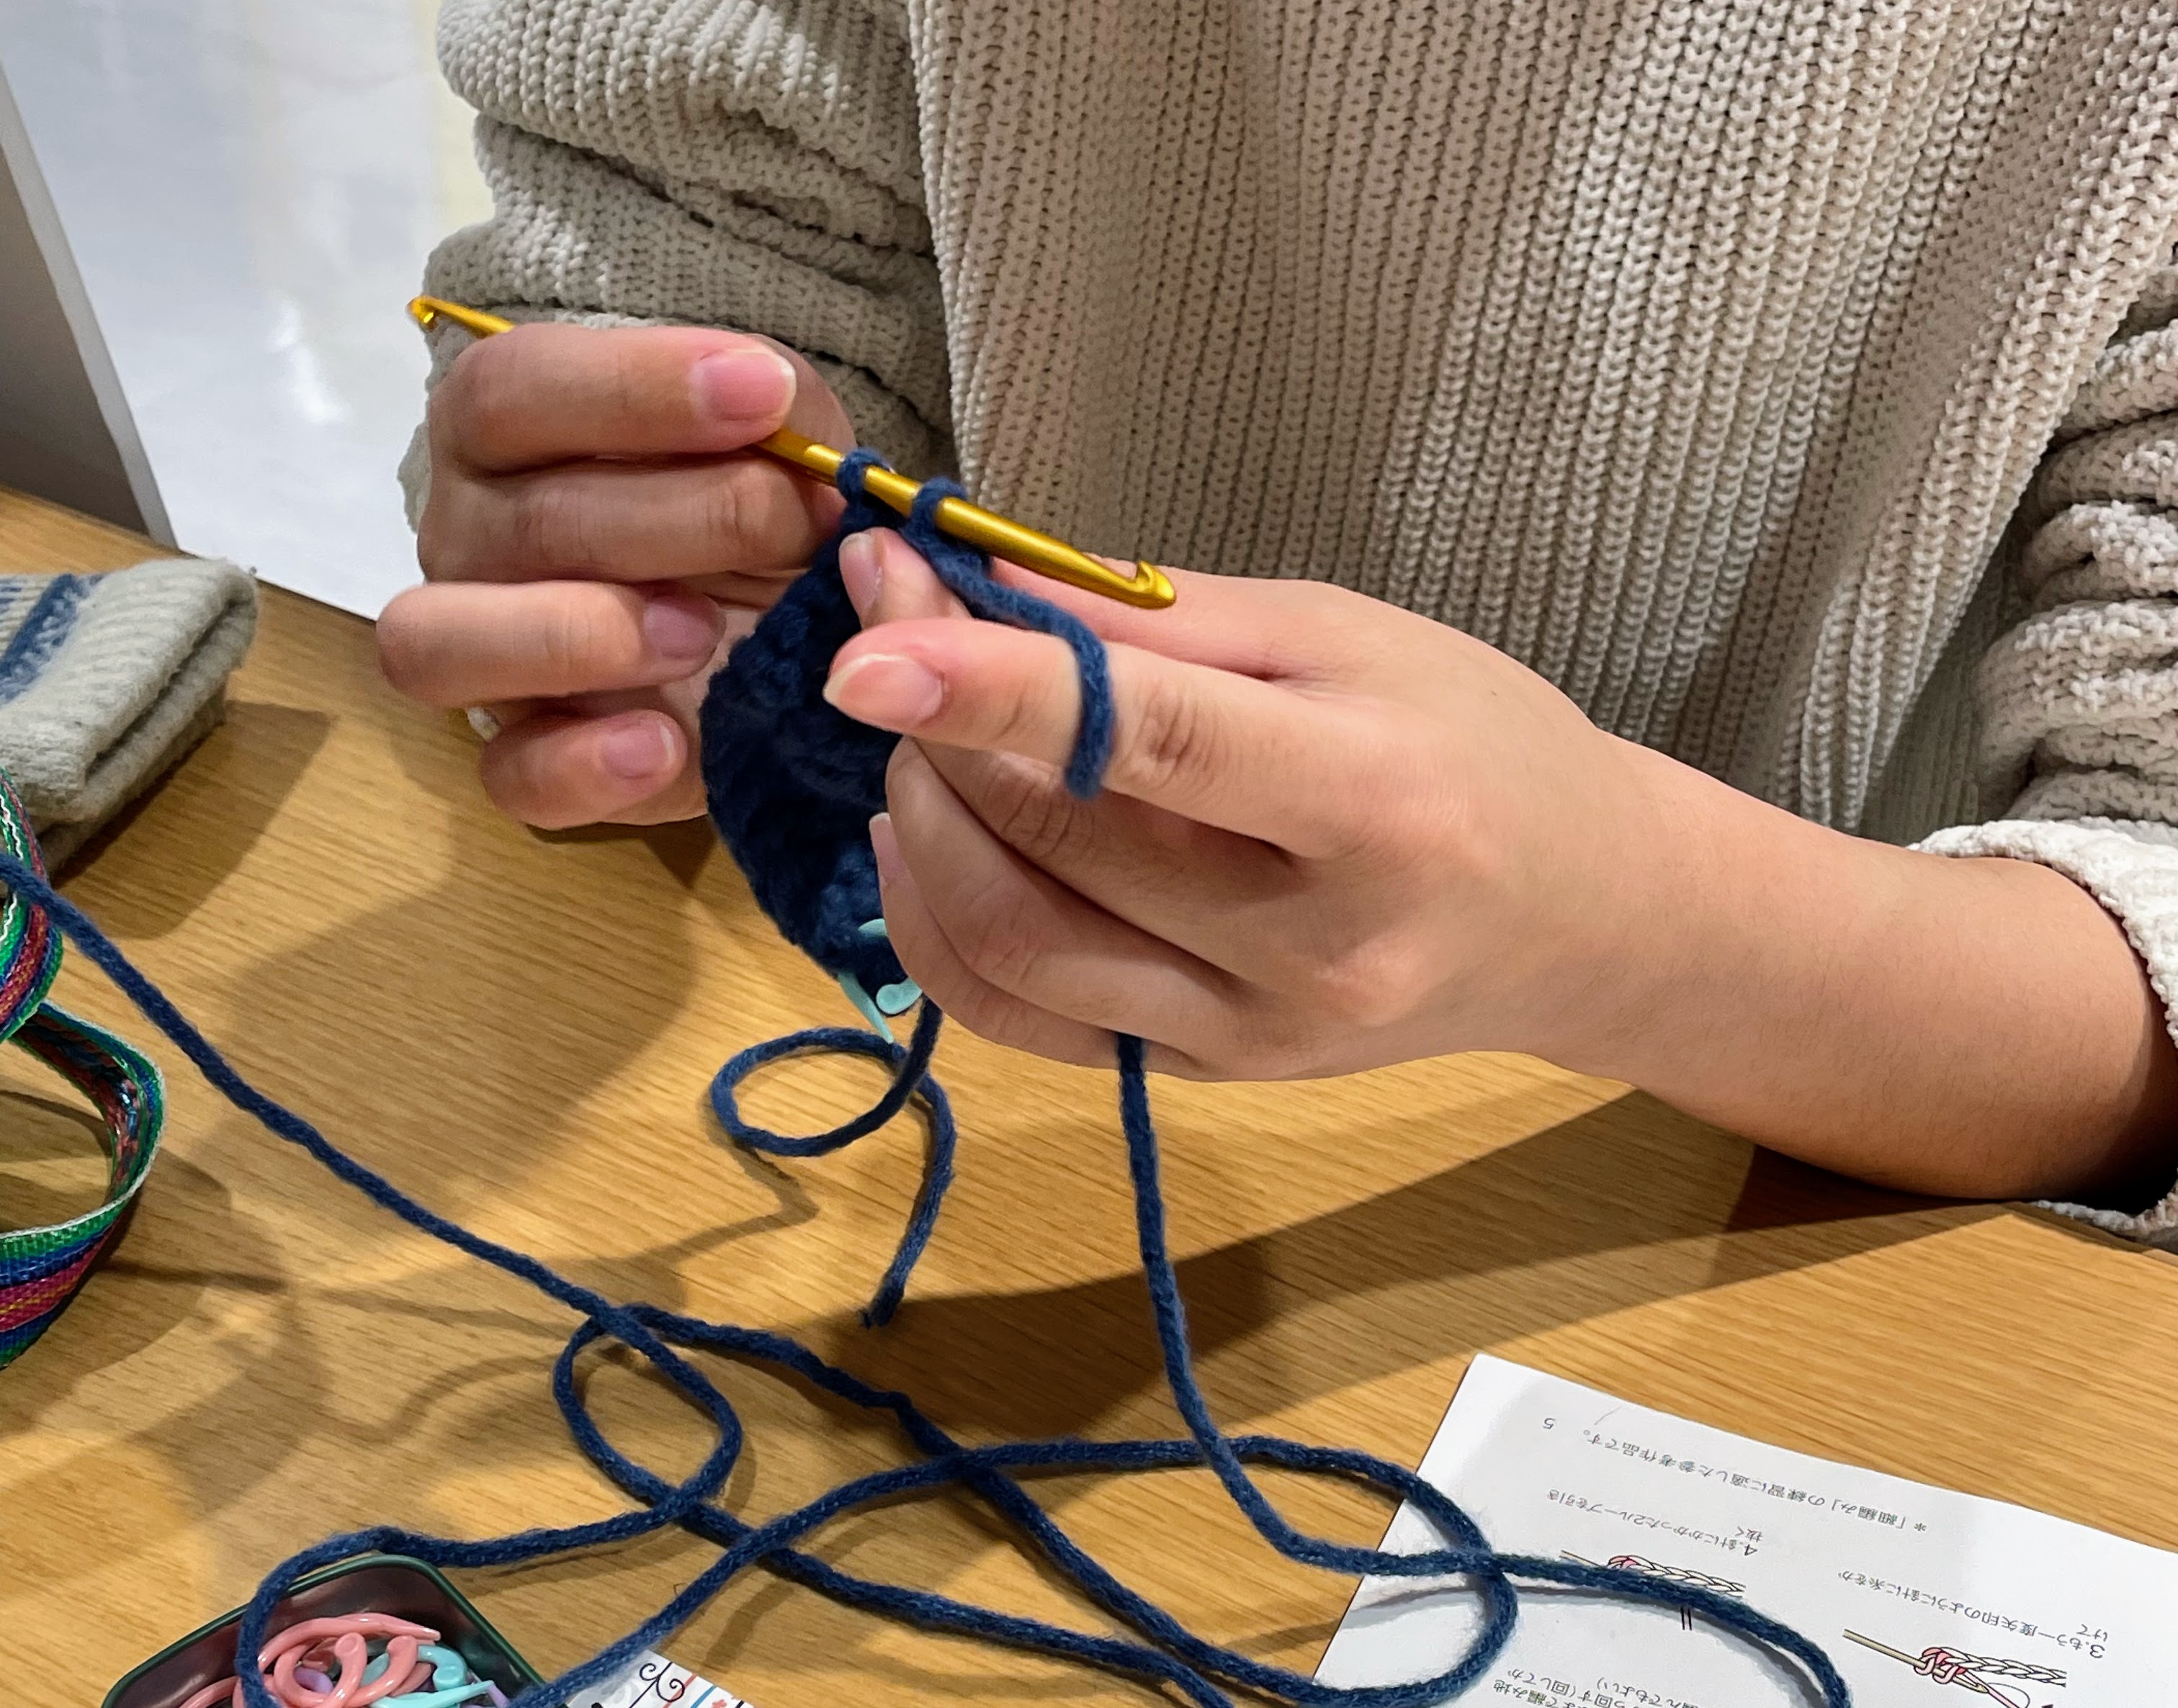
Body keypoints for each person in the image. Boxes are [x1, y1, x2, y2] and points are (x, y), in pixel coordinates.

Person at [377, 0, 2178, 1235]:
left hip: (1791, 1219)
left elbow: (2141, 940)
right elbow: (668, 266)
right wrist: (650, 555)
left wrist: (1625, 927)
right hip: (972, 1130)